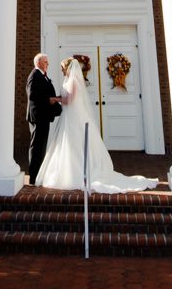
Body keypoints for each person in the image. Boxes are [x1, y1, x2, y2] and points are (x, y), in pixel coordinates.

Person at [35, 56, 159, 193]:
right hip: (68, 117)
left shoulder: (74, 81)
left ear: (68, 68)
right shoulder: (68, 80)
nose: (61, 70)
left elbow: (69, 100)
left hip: (74, 117)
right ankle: (68, 171)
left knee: (75, 143)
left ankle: (77, 174)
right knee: (68, 145)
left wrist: (55, 99)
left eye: (62, 67)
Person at [26, 53, 62, 185]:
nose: (48, 64)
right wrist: (51, 99)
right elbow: (33, 97)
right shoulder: (34, 75)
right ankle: (33, 177)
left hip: (44, 116)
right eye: (45, 62)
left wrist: (56, 98)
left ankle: (38, 176)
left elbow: (44, 93)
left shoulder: (42, 76)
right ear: (39, 62)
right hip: (38, 117)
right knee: (36, 147)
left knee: (41, 147)